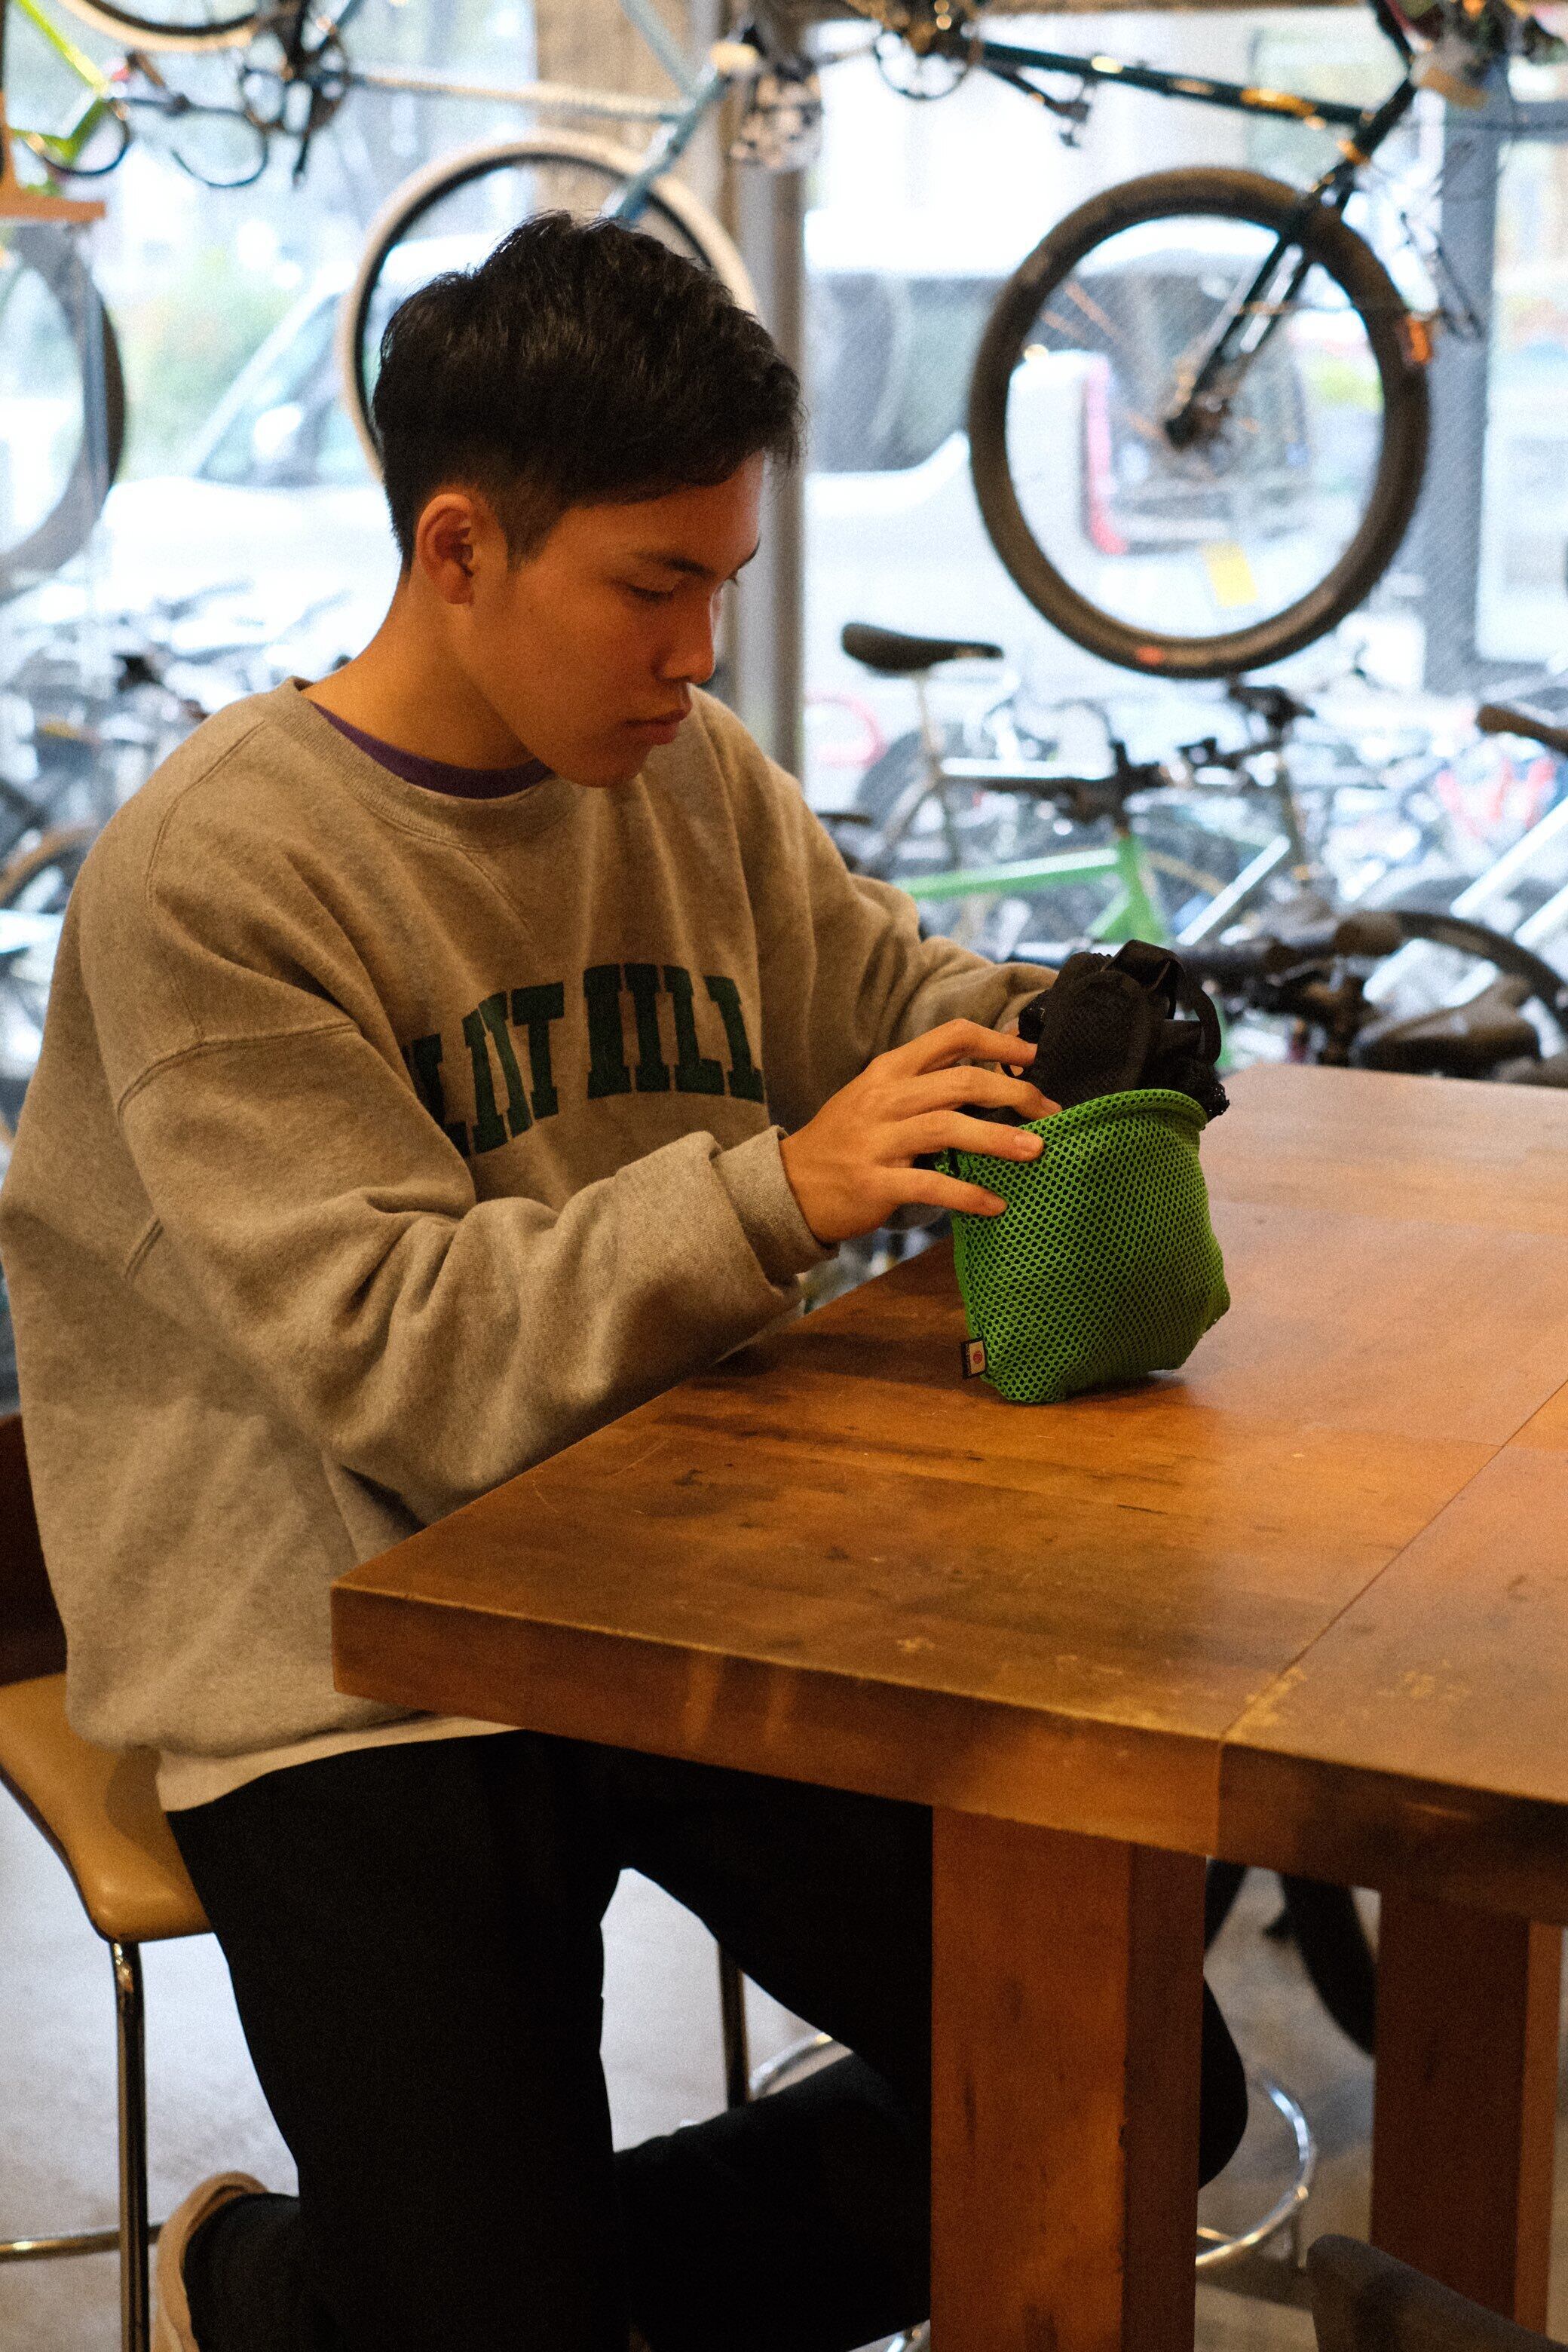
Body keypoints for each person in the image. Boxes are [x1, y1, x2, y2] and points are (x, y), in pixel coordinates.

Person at [0, 216, 1246, 2352]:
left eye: (724, 588)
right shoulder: (220, 871)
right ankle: (294, 2288)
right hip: (331, 1634)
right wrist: (780, 1193)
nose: (697, 655)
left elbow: (882, 997)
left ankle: (421, 2315)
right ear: (460, 547)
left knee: (1128, 2084)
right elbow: (394, 1358)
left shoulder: (684, 777)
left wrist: (1054, 1036)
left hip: (668, 1572)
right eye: (653, 587)